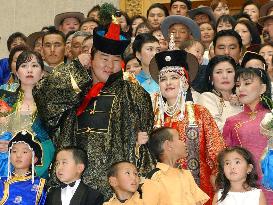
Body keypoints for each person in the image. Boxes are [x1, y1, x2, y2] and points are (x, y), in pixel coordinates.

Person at [33, 8, 155, 199]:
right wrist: (76, 69)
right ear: (91, 58)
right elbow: (43, 95)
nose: (109, 65)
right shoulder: (76, 84)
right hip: (74, 180)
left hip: (114, 183)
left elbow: (142, 139)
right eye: (104, 58)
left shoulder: (133, 92)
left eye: (116, 60)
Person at [147, 48, 225, 204]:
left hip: (201, 192)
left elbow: (217, 151)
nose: (168, 83)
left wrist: (218, 179)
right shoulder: (152, 117)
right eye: (163, 79)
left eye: (174, 77)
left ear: (184, 81)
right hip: (164, 193)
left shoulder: (199, 113)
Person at [0, 50, 55, 178]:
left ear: (42, 72)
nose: (29, 70)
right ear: (16, 72)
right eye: (24, 66)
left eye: (34, 66)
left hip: (38, 165)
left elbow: (53, 139)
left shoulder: (51, 103)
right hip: (4, 165)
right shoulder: (4, 97)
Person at [223, 67, 273, 204]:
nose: (240, 89)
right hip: (245, 187)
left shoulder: (271, 116)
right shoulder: (232, 121)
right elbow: (227, 157)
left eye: (247, 83)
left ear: (263, 88)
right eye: (238, 85)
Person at [147, 127, 210, 205]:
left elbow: (198, 203)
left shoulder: (186, 174)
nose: (184, 143)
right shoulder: (155, 177)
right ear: (168, 145)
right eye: (180, 139)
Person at [0, 130, 46, 204]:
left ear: (34, 159)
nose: (18, 155)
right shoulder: (1, 182)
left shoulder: (40, 185)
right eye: (14, 151)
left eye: (24, 152)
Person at [197, 55, 242, 132]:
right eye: (218, 72)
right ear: (211, 77)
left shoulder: (244, 99)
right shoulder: (207, 97)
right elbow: (215, 129)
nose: (225, 76)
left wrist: (241, 103)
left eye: (229, 71)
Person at [104, 161, 168, 205]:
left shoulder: (149, 191)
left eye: (135, 174)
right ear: (113, 181)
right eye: (127, 173)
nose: (134, 177)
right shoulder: (108, 204)